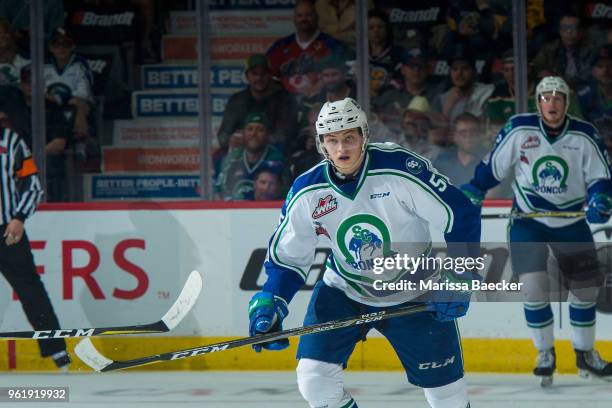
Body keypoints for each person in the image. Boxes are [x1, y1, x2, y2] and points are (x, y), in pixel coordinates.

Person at [248, 97, 481, 408]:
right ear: (321, 144)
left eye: (349, 138)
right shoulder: (308, 190)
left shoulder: (400, 168)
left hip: (414, 291)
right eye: (332, 140)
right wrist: (271, 301)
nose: (342, 148)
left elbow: (459, 212)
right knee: (314, 380)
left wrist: (460, 275)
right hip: (344, 291)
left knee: (448, 398)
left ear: (364, 136)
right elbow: (288, 258)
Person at [462, 76, 612, 385]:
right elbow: (493, 168)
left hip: (571, 223)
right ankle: (545, 353)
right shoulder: (519, 129)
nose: (552, 103)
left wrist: (600, 197)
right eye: (546, 97)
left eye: (558, 97)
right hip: (527, 222)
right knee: (533, 288)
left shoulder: (584, 134)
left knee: (585, 291)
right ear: (538, 102)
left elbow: (601, 176)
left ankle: (585, 354)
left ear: (566, 103)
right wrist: (476, 188)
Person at [0, 126, 71, 370]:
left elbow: (32, 185)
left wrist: (19, 217)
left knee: (31, 292)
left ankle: (58, 352)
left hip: (7, 231)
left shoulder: (10, 141)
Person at [0, 65, 70, 202]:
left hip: (38, 158)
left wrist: (31, 156)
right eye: (27, 82)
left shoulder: (53, 108)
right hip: (8, 154)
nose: (30, 86)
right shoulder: (10, 97)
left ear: (43, 84)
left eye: (35, 82)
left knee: (49, 165)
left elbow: (59, 143)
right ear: (21, 84)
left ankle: (43, 203)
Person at [217, 54, 298, 154]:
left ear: (270, 75)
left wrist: (257, 140)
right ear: (247, 76)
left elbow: (286, 135)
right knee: (219, 155)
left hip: (275, 151)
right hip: (243, 152)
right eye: (255, 74)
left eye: (263, 73)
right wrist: (231, 139)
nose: (259, 78)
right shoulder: (237, 100)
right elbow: (222, 135)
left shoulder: (285, 99)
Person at [266, 0, 348, 98]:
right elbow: (266, 76)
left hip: (323, 104)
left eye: (308, 15)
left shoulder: (333, 46)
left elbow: (345, 77)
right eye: (300, 16)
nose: (304, 19)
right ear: (294, 20)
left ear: (317, 17)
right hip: (286, 105)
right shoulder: (280, 46)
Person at [215, 112, 287, 201]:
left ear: (268, 135)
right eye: (249, 129)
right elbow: (219, 193)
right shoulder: (231, 159)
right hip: (235, 211)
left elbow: (285, 195)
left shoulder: (277, 159)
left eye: (259, 129)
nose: (253, 133)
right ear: (243, 133)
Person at [434, 113, 487, 186]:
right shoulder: (443, 160)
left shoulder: (489, 160)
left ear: (480, 134)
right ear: (454, 136)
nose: (468, 136)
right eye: (463, 132)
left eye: (473, 131)